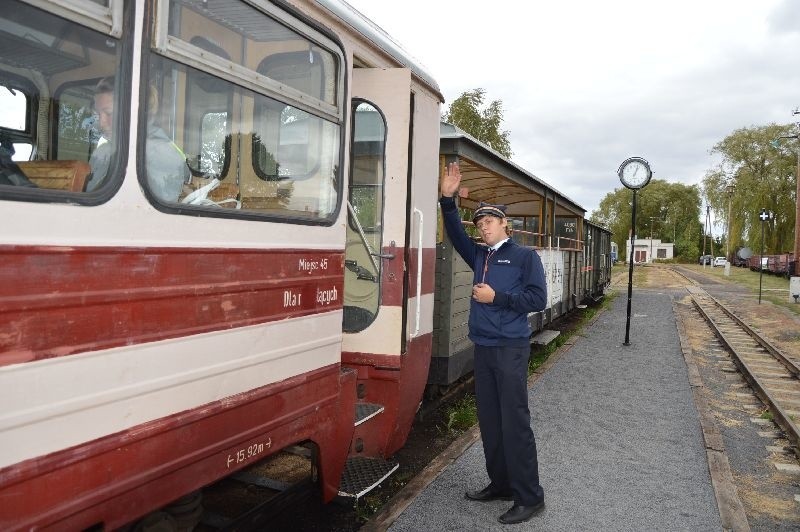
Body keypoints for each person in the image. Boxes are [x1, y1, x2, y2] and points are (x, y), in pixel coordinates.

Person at [439, 161, 548, 525]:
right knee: (490, 421)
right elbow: (455, 234)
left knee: (514, 422)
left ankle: (530, 497)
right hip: (483, 347)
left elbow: (537, 299)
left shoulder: (524, 257)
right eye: (479, 222)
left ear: (505, 224)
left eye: (489, 221)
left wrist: (497, 298)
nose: (482, 227)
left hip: (510, 349)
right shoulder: (480, 255)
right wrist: (448, 200)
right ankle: (501, 484)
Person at [85, 77, 189, 200]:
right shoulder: (102, 152)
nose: (101, 123)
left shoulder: (161, 153)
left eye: (109, 113)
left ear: (135, 113)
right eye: (97, 114)